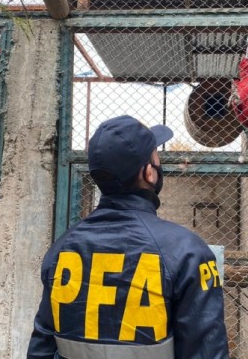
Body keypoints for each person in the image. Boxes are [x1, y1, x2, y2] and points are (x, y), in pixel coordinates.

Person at [27, 115, 229, 359]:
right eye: (156, 158)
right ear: (149, 173)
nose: (159, 163)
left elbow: (41, 348)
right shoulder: (188, 251)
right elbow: (206, 352)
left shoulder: (60, 251)